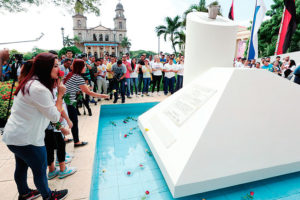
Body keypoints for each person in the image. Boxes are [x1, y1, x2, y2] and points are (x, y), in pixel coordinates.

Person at [2, 52, 68, 200]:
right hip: (28, 139)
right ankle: (49, 196)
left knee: (21, 166)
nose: (60, 69)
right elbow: (55, 116)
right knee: (39, 171)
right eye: (56, 66)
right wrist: (60, 95)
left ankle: (24, 193)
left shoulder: (30, 82)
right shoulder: (39, 89)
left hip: (14, 137)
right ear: (46, 68)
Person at [64, 59, 109, 147]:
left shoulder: (71, 74)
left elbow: (71, 87)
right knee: (74, 122)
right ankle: (76, 142)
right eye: (84, 66)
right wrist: (103, 96)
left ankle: (64, 138)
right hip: (69, 102)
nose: (85, 68)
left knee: (66, 121)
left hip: (65, 101)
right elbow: (89, 93)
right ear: (80, 67)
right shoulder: (78, 77)